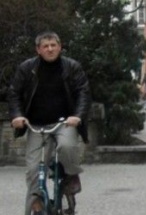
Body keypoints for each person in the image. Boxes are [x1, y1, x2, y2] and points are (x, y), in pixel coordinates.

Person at [8, 31, 90, 202]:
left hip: (64, 122)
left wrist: (77, 116)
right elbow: (14, 93)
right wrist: (17, 115)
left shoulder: (72, 67)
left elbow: (83, 92)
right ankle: (37, 214)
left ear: (60, 47)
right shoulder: (26, 68)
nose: (50, 49)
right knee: (33, 171)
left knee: (67, 147)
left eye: (53, 45)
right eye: (45, 46)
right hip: (36, 125)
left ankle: (71, 175)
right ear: (38, 50)